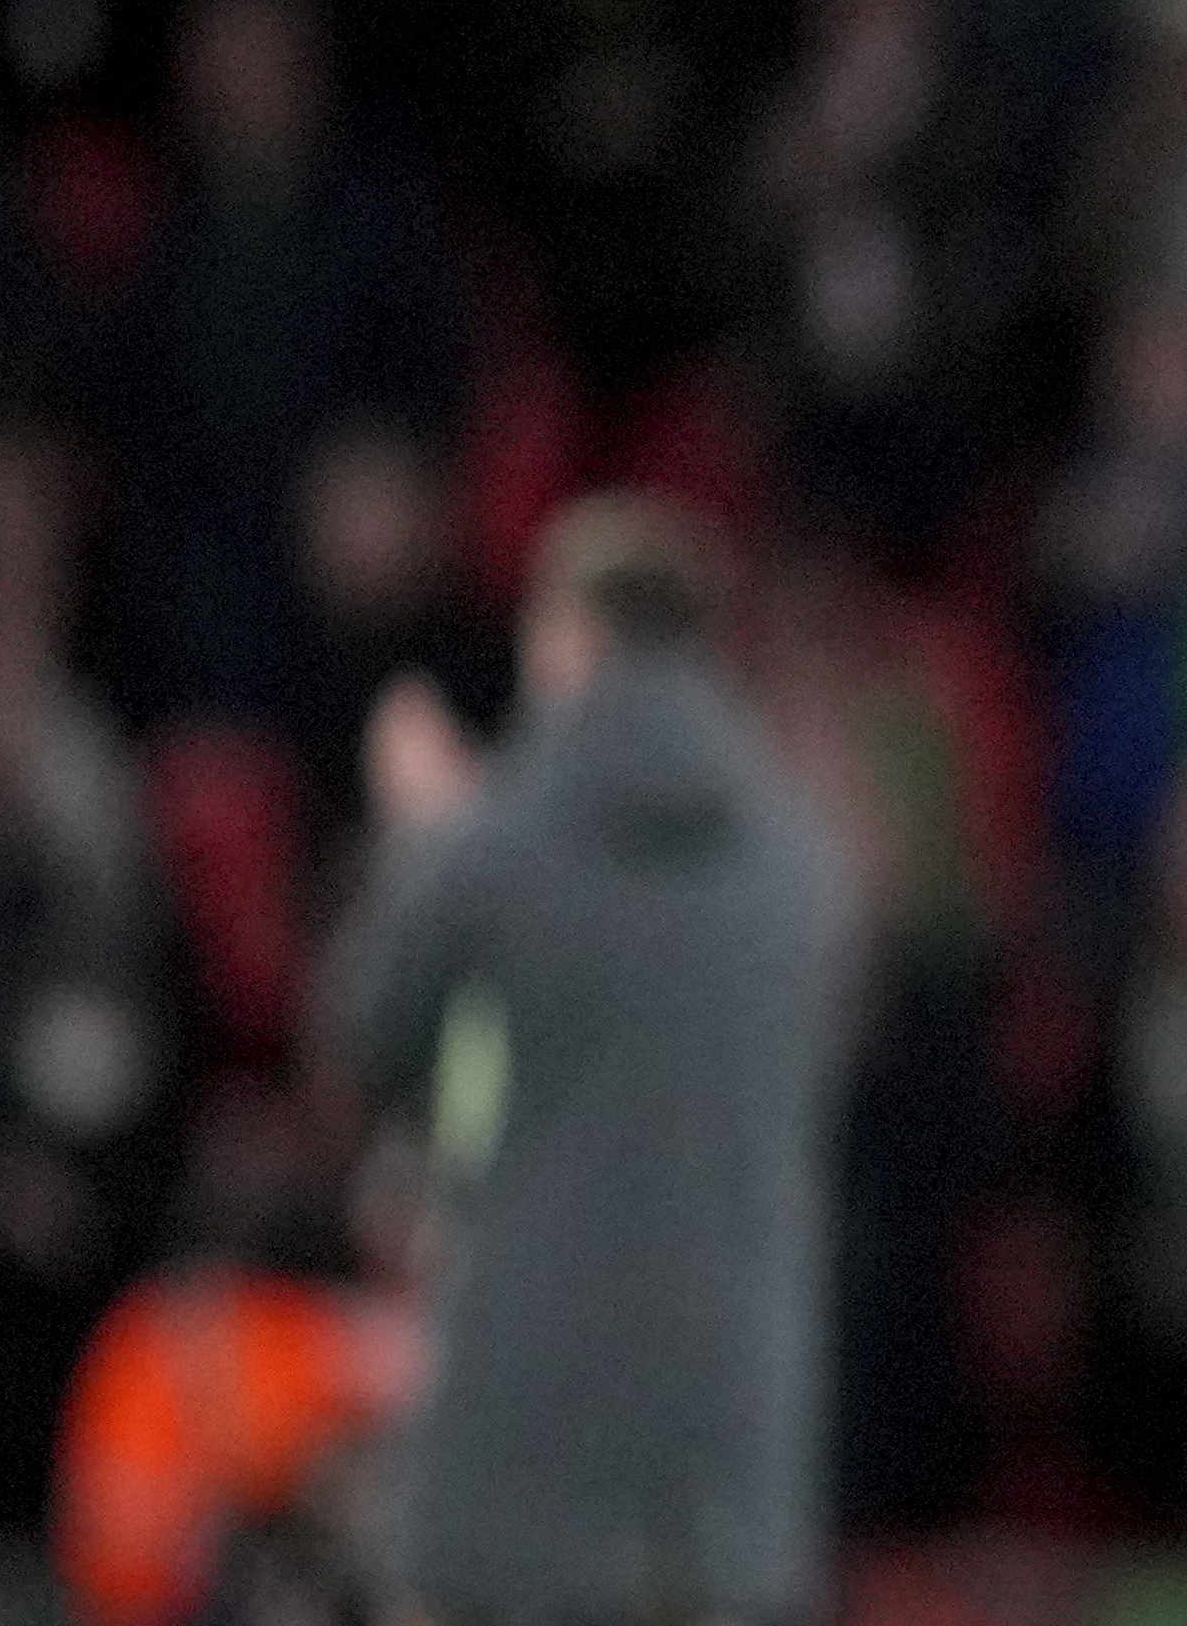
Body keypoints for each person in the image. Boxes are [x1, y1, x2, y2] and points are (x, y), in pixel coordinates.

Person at [318, 497, 853, 1626]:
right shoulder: (802, 866)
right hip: (733, 1406)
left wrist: (423, 838)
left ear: (567, 637)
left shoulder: (494, 843)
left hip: (528, 1396)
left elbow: (368, 1032)